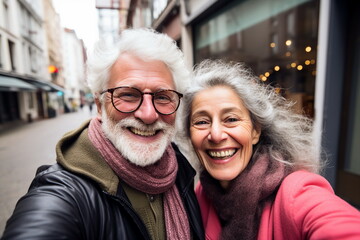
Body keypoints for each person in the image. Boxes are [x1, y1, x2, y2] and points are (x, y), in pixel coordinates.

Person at [1, 28, 204, 240]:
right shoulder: (66, 192)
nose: (148, 114)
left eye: (163, 97)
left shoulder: (179, 167)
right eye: (128, 95)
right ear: (99, 105)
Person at [179, 59, 360, 240]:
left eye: (231, 119)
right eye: (202, 122)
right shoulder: (202, 191)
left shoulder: (296, 192)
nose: (216, 135)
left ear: (255, 131)